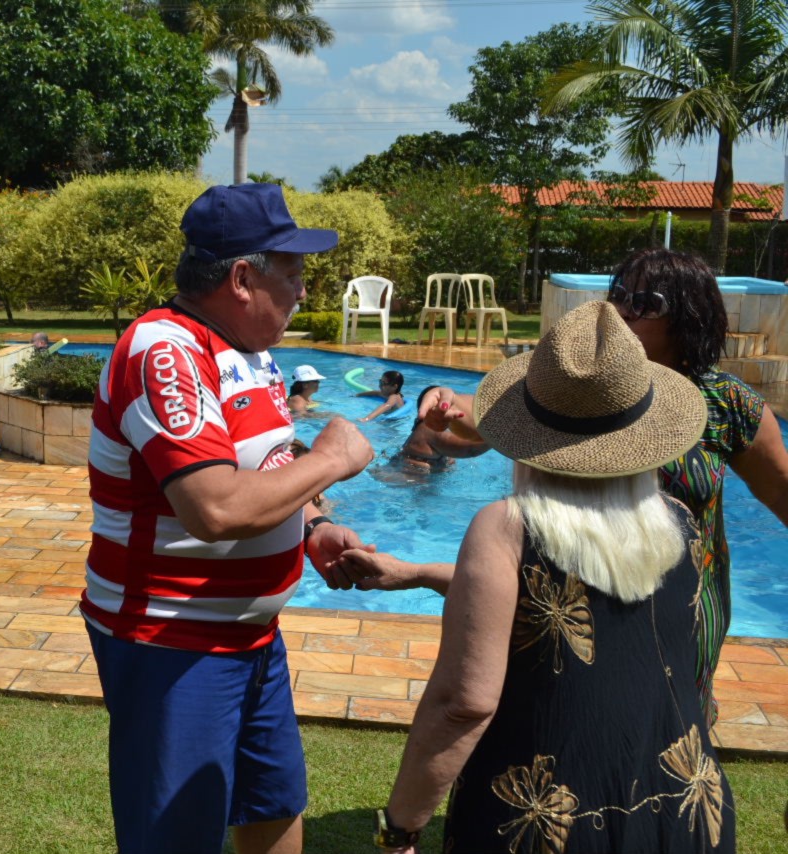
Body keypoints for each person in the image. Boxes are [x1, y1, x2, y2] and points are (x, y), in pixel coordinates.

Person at [350, 249, 788, 726]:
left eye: (645, 302)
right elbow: (496, 418)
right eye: (619, 293)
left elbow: (781, 493)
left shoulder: (727, 405)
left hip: (685, 608)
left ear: (689, 315)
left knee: (675, 728)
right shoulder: (580, 389)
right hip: (576, 603)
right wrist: (449, 401)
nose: (622, 310)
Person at [362, 300, 734, 853]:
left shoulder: (505, 527)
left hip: (548, 822)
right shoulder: (679, 523)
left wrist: (400, 828)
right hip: (688, 810)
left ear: (528, 428)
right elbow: (579, 603)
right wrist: (415, 573)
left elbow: (464, 702)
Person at [82, 182, 375, 854]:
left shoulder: (248, 351)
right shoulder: (164, 353)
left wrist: (310, 526)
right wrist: (331, 459)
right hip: (171, 642)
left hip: (250, 637)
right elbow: (214, 507)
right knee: (175, 839)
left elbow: (267, 465)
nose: (304, 291)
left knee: (274, 808)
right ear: (242, 279)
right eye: (293, 274)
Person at [395, 386, 488, 472]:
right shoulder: (429, 428)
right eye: (452, 405)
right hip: (405, 479)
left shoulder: (428, 426)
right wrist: (494, 433)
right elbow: (471, 449)